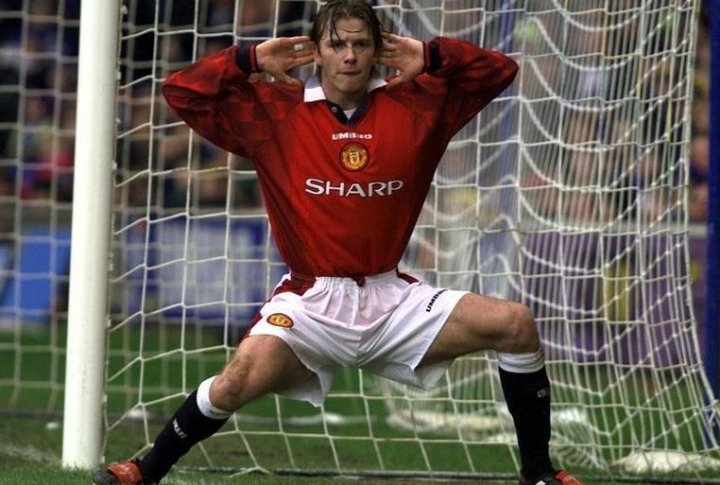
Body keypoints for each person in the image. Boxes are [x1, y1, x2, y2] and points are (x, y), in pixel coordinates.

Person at [94, 1, 583, 484]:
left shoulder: (420, 104)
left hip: (392, 299)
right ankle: (144, 471)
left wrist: (431, 56)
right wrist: (247, 60)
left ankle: (538, 473)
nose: (349, 55)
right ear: (316, 51)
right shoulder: (274, 113)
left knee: (515, 324)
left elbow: (500, 70)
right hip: (311, 303)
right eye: (337, 44)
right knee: (238, 379)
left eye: (360, 44)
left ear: (377, 51)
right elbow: (183, 92)